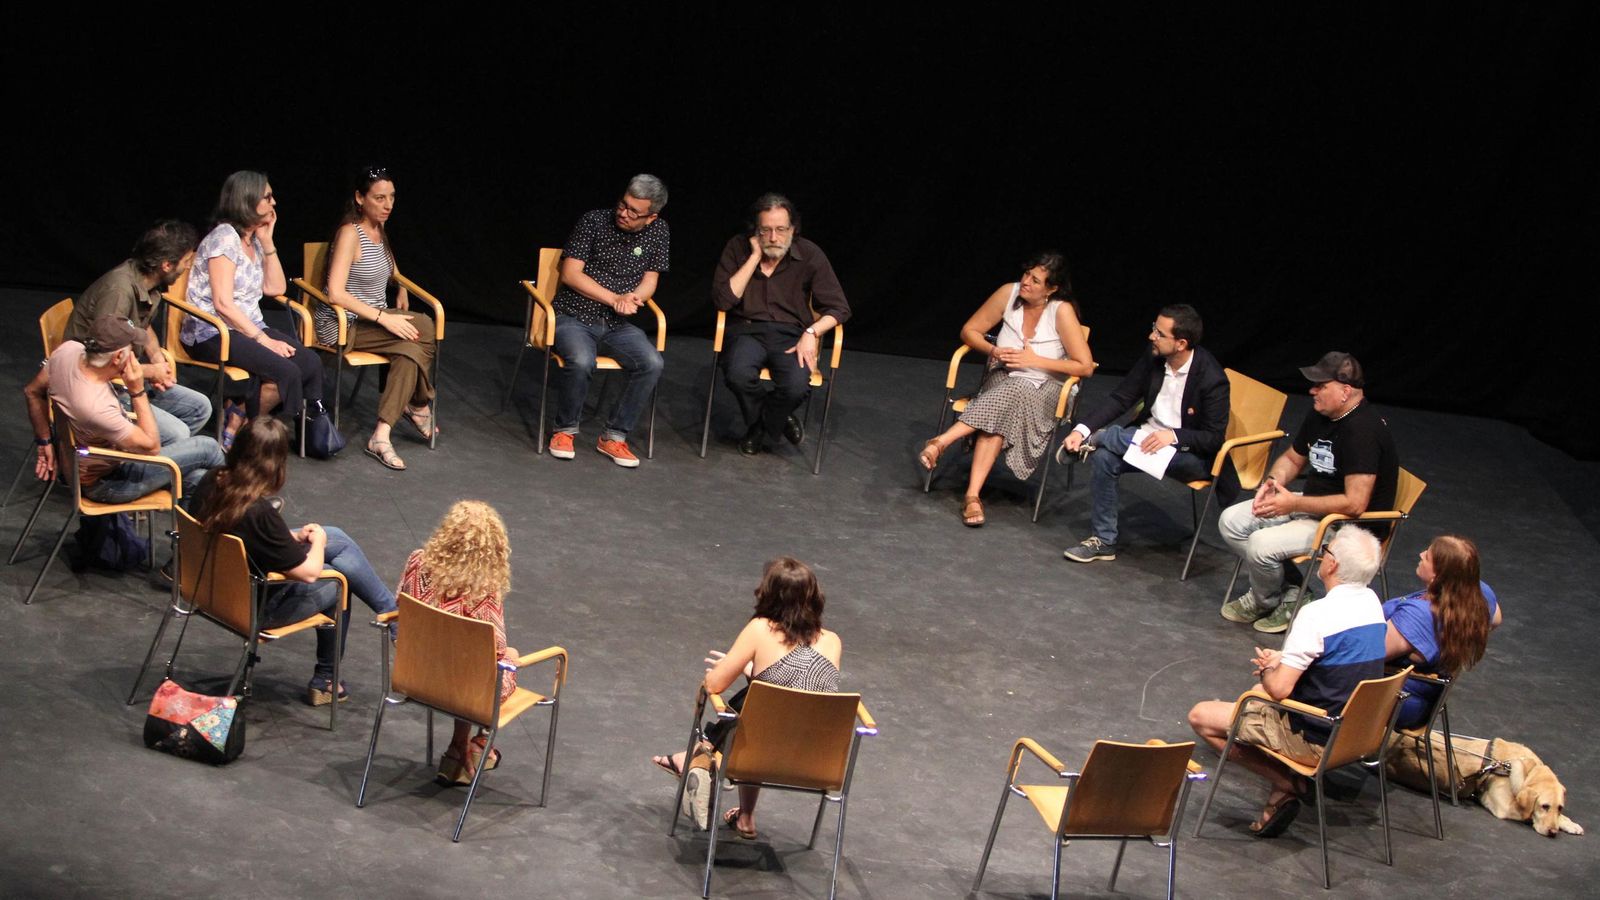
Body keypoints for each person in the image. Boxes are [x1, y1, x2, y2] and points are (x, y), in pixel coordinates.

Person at [1187, 526, 1388, 838]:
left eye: (1326, 551)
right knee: (1256, 695)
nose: (1321, 555)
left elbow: (1280, 689)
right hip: (1359, 735)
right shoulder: (1372, 604)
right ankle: (1279, 795)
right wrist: (1286, 660)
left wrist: (1269, 671)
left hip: (1316, 738)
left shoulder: (1317, 614)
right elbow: (1340, 655)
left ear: (1332, 564)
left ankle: (1288, 781)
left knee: (1202, 716)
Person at [194, 417, 397, 705]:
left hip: (209, 588)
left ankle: (392, 612)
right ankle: (327, 679)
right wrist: (318, 543)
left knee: (335, 536)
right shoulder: (259, 512)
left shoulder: (212, 481)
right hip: (250, 606)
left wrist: (296, 536)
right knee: (338, 579)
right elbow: (309, 573)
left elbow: (246, 537)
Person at [650, 558, 842, 838]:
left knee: (752, 706)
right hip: (815, 763)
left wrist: (737, 665)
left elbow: (713, 684)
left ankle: (699, 754)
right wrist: (755, 673)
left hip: (754, 756)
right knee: (762, 699)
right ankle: (745, 817)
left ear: (769, 593)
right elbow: (802, 690)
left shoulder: (761, 629)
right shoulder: (833, 641)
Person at [1218, 351, 1399, 634]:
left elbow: (1355, 504)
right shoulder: (1321, 414)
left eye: (1320, 386)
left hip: (1347, 526)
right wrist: (1273, 483)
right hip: (1310, 506)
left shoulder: (1363, 432)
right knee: (1231, 522)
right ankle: (1292, 591)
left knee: (1260, 545)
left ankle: (1266, 600)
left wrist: (1292, 504)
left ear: (1345, 391)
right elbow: (1293, 459)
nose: (1312, 391)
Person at [918, 252, 1093, 526]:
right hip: (1002, 376)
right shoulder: (1007, 294)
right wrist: (994, 351)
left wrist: (1034, 361)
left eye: (1036, 281)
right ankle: (972, 496)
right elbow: (969, 331)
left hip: (1050, 388)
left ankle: (942, 442)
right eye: (1026, 274)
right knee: (1006, 401)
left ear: (1052, 289)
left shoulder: (1061, 310)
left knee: (1017, 390)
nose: (1026, 282)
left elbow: (1085, 366)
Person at [1061, 304, 1229, 562]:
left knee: (1109, 443)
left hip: (1189, 455)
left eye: (1160, 333)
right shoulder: (1154, 357)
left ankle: (1100, 438)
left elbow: (1214, 438)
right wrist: (1082, 429)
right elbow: (1121, 398)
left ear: (1181, 343)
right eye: (1154, 328)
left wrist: (1174, 436)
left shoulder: (1212, 378)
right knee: (1104, 458)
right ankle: (1104, 541)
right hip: (1145, 439)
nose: (1152, 336)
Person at [181, 170, 325, 438]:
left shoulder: (254, 239)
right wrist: (264, 340)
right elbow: (222, 304)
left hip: (246, 327)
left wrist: (268, 243)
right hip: (212, 332)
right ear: (246, 200)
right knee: (286, 371)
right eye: (267, 197)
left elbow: (276, 288)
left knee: (310, 362)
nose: (274, 202)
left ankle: (240, 415)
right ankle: (249, 435)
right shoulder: (225, 238)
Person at [24, 316, 223, 504]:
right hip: (108, 482)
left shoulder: (68, 351)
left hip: (87, 457)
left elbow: (32, 391)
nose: (135, 355)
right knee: (208, 447)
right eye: (131, 349)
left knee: (197, 478)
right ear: (119, 356)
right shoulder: (96, 407)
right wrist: (137, 391)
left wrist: (44, 441)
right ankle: (239, 499)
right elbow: (152, 447)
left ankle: (200, 523)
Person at [316, 166, 439, 470]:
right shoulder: (350, 233)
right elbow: (335, 293)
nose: (388, 205)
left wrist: (400, 286)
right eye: (380, 198)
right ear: (360, 198)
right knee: (424, 326)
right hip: (343, 324)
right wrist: (384, 317)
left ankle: (381, 435)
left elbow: (389, 267)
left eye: (392, 197)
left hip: (372, 319)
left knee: (410, 350)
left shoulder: (379, 230)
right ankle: (418, 404)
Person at [710, 193, 850, 455]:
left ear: (792, 230)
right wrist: (754, 257)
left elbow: (839, 307)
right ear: (755, 231)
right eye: (766, 230)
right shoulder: (737, 248)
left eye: (781, 229)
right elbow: (723, 301)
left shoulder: (809, 254)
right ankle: (779, 419)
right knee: (738, 375)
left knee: (796, 386)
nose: (773, 237)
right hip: (747, 331)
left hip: (792, 334)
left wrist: (812, 332)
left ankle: (759, 427)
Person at [546, 174, 669, 468]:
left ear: (651, 217)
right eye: (622, 204)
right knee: (581, 359)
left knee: (652, 362)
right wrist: (614, 298)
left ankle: (614, 436)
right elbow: (571, 274)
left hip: (617, 324)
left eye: (633, 212)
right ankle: (564, 430)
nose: (623, 213)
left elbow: (651, 279)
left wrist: (634, 298)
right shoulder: (593, 221)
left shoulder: (659, 231)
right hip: (574, 315)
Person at [64, 220, 216, 443]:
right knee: (178, 433)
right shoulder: (119, 291)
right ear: (166, 265)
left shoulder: (145, 281)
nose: (187, 268)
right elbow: (99, 362)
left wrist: (157, 358)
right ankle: (139, 457)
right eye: (186, 262)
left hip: (122, 376)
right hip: (100, 387)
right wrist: (150, 372)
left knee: (200, 407)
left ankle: (148, 454)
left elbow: (139, 324)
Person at [397, 501, 515, 784]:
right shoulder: (484, 590)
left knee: (463, 661)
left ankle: (460, 748)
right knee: (504, 659)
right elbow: (495, 653)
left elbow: (398, 607)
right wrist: (512, 655)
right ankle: (477, 743)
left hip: (415, 674)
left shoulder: (417, 562)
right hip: (462, 688)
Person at [1384, 534, 1501, 729]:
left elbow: (1368, 654)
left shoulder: (1419, 616)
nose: (1421, 554)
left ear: (1437, 576)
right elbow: (1495, 619)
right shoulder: (1478, 594)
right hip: (1429, 697)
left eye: (1427, 557)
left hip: (1397, 700)